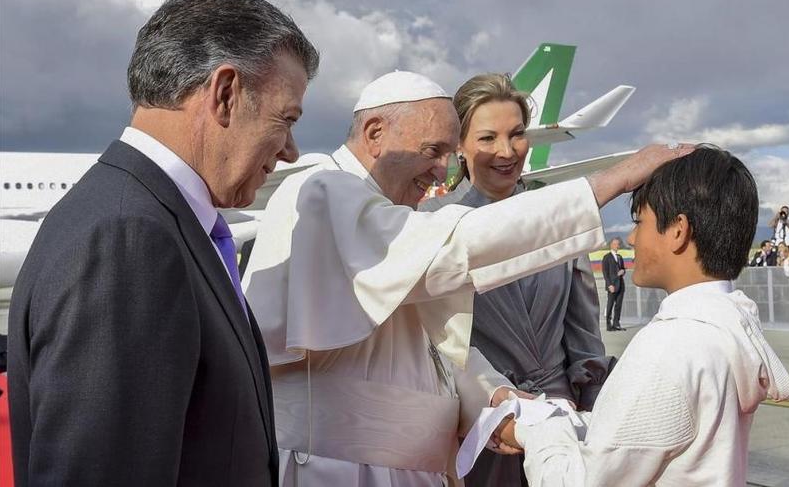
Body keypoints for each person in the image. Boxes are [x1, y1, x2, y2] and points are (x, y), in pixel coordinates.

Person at [242, 70, 693, 486]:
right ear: (376, 133)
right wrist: (608, 183)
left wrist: (494, 395)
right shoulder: (324, 190)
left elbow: (427, 348)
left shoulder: (383, 213)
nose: (443, 169)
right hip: (335, 469)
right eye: (433, 151)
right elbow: (458, 244)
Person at [6, 0, 319, 485]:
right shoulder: (128, 239)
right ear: (225, 93)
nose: (291, 151)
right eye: (287, 119)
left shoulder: (148, 220)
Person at [499, 145, 789, 486]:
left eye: (640, 221)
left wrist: (535, 433)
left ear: (678, 231)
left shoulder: (669, 349)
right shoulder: (727, 326)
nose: (631, 237)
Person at [420, 73, 613, 486]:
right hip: (478, 427)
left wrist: (592, 413)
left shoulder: (559, 219)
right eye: (487, 138)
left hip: (558, 420)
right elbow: (431, 346)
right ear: (460, 144)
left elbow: (583, 333)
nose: (507, 152)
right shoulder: (431, 226)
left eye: (517, 134)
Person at [602, 238, 628, 331]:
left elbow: (623, 269)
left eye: (618, 244)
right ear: (612, 245)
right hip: (612, 285)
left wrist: (623, 271)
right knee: (610, 305)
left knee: (618, 306)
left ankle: (616, 324)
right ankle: (609, 326)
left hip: (621, 285)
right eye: (616, 244)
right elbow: (605, 273)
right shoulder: (606, 257)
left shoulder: (620, 257)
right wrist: (609, 285)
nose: (618, 246)